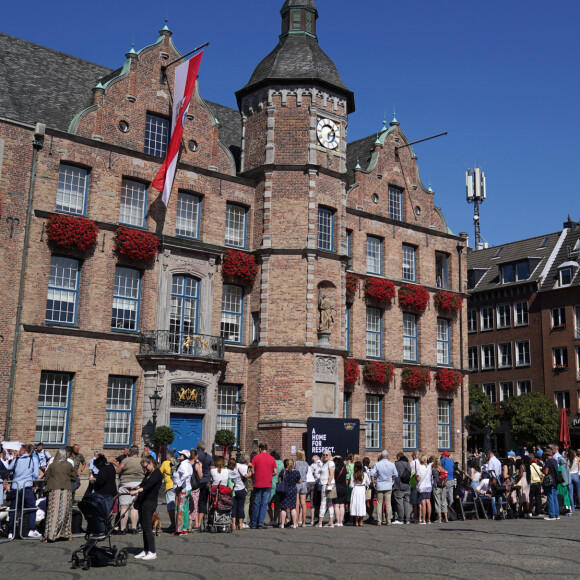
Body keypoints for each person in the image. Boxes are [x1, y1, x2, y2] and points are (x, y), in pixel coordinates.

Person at [6, 443, 41, 539]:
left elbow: (9, 470)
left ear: (24, 451)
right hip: (26, 487)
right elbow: (35, 475)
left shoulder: (16, 460)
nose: (19, 451)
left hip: (15, 486)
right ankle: (31, 529)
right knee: (32, 508)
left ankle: (10, 531)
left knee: (14, 509)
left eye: (20, 450)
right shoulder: (33, 460)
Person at [131, 456, 163, 561]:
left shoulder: (157, 473)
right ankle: (146, 550)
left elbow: (148, 485)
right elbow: (144, 483)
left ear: (151, 463)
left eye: (146, 467)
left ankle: (152, 551)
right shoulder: (148, 474)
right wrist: (136, 487)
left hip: (150, 502)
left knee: (148, 526)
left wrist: (138, 490)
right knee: (144, 526)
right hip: (144, 501)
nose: (145, 470)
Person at [42, 448, 77, 542]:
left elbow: (46, 478)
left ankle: (50, 535)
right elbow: (74, 476)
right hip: (66, 489)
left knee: (53, 512)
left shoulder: (52, 465)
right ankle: (65, 533)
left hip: (54, 489)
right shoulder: (69, 465)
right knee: (65, 512)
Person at [115, 445, 142, 534]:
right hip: (138, 485)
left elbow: (118, 471)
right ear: (138, 452)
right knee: (134, 508)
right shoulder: (141, 461)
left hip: (126, 484)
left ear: (130, 452)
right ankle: (134, 528)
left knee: (124, 507)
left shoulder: (125, 460)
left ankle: (123, 529)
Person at [251, 443, 277, 529]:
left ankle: (254, 523)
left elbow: (252, 470)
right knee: (264, 504)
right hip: (267, 483)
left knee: (256, 503)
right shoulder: (272, 459)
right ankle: (260, 523)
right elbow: (275, 472)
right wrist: (269, 474)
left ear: (260, 449)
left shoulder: (255, 458)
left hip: (258, 483)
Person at [370, 450, 397, 526]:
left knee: (379, 503)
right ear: (387, 456)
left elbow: (372, 474)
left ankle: (379, 521)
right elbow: (396, 475)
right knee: (388, 503)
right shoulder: (392, 464)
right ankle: (388, 521)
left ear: (381, 456)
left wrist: (373, 482)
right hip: (388, 485)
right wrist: (392, 481)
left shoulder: (377, 464)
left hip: (380, 485)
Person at [91, 453, 117, 522]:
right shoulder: (111, 466)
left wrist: (94, 479)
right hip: (113, 490)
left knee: (105, 509)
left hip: (104, 492)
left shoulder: (103, 469)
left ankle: (105, 525)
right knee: (110, 509)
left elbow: (101, 480)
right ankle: (109, 524)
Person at [173, 449, 193, 535]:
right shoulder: (188, 464)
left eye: (181, 454)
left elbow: (185, 474)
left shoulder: (182, 465)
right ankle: (185, 528)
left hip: (183, 489)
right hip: (188, 488)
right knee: (185, 509)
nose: (179, 456)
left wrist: (179, 484)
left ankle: (179, 529)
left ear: (184, 456)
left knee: (180, 509)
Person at [195, 441, 214, 529]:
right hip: (206, 482)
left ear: (197, 448)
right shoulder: (209, 457)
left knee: (195, 502)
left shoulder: (195, 456)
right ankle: (199, 522)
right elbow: (213, 470)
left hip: (196, 482)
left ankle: (195, 522)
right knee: (203, 502)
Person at [279, 459, 301, 528]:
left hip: (284, 490)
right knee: (292, 508)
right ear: (293, 464)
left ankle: (282, 524)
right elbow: (300, 481)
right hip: (293, 490)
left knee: (283, 508)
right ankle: (294, 524)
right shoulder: (296, 472)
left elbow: (279, 480)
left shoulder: (283, 471)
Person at [159, 450, 177, 532]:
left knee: (171, 507)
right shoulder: (177, 463)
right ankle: (177, 523)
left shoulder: (165, 463)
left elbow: (159, 473)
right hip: (177, 486)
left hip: (169, 486)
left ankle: (173, 524)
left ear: (167, 456)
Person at [227, 458, 247, 530]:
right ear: (235, 464)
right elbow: (245, 476)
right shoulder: (238, 470)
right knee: (241, 507)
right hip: (241, 489)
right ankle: (240, 524)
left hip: (233, 491)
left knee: (234, 507)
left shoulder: (227, 472)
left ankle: (233, 524)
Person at [317, 450, 335, 527]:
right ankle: (330, 521)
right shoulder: (324, 463)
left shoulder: (330, 463)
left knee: (323, 503)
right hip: (324, 484)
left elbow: (331, 474)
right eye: (324, 455)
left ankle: (320, 522)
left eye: (327, 455)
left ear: (330, 455)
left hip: (327, 485)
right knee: (329, 503)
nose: (325, 456)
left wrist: (328, 484)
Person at [393, 453, 411, 525]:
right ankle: (407, 519)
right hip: (407, 485)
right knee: (406, 503)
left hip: (399, 485)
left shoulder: (397, 464)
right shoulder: (408, 464)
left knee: (399, 502)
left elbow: (394, 474)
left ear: (399, 458)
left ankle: (400, 519)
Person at [350, 461, 370, 526]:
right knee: (361, 504)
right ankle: (361, 521)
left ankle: (356, 521)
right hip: (362, 490)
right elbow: (369, 482)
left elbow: (351, 485)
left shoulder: (353, 475)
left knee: (355, 505)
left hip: (355, 490)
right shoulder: (365, 474)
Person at [542, 448, 560, 520]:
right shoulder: (555, 461)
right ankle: (557, 514)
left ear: (547, 455)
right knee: (555, 498)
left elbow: (546, 472)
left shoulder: (548, 462)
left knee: (550, 497)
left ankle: (552, 515)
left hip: (549, 481)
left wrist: (542, 470)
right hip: (555, 481)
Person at [268, 450, 284, 526]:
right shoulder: (281, 463)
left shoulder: (270, 462)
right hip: (278, 484)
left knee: (268, 503)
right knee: (277, 504)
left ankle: (271, 519)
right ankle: (275, 519)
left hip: (270, 483)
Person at [416, 455, 432, 525]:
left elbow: (418, 478)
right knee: (428, 502)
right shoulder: (429, 467)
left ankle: (423, 519)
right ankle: (429, 519)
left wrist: (415, 478)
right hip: (428, 486)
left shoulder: (419, 467)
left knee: (423, 503)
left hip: (422, 486)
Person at [189, 450, 203, 530]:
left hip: (187, 487)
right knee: (193, 506)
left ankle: (186, 524)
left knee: (187, 505)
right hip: (195, 488)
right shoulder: (196, 465)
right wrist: (200, 466)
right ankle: (190, 524)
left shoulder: (186, 464)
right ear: (195, 456)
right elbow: (200, 476)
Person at [294, 449, 309, 527]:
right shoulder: (306, 463)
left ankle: (296, 521)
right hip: (304, 483)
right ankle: (303, 522)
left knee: (297, 503)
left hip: (297, 483)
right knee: (303, 503)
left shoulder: (295, 463)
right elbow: (306, 472)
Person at [432, 458, 448, 523]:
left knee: (437, 502)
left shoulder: (434, 470)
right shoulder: (443, 469)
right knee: (444, 502)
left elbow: (434, 478)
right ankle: (446, 518)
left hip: (437, 487)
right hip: (443, 487)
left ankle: (439, 519)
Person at [332, 456, 347, 526]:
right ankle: (341, 521)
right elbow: (347, 469)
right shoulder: (344, 469)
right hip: (344, 487)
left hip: (336, 487)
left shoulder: (335, 469)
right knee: (342, 505)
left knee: (336, 505)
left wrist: (334, 457)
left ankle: (337, 521)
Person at [307, 454, 321, 526]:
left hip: (315, 484)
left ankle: (315, 516)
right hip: (322, 484)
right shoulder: (323, 464)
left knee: (314, 501)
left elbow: (310, 474)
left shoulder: (312, 465)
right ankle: (318, 517)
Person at [409, 451, 421, 523]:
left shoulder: (413, 462)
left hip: (414, 482)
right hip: (421, 483)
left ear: (414, 455)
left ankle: (415, 517)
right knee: (419, 501)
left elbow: (410, 471)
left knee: (414, 502)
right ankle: (420, 517)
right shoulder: (421, 462)